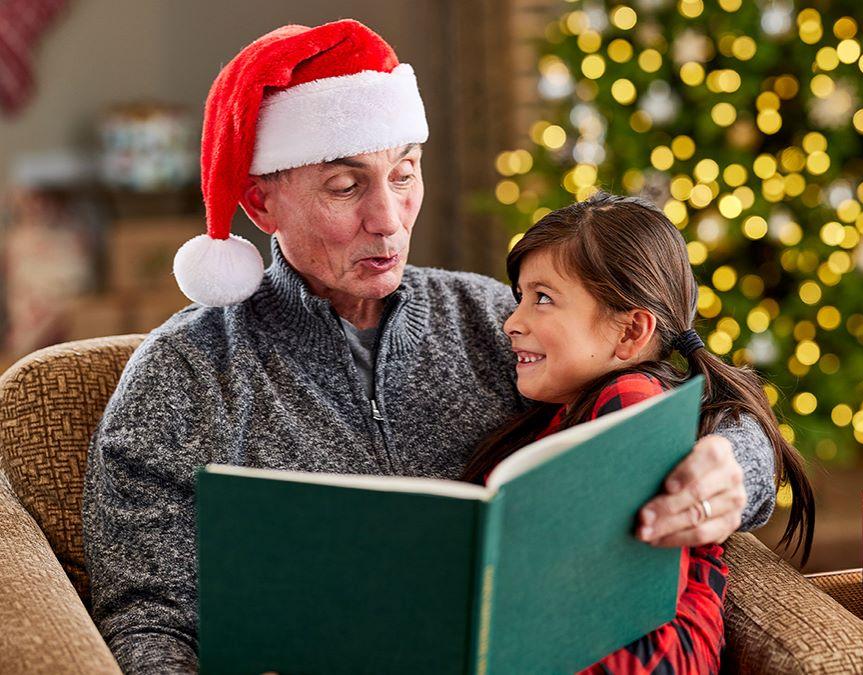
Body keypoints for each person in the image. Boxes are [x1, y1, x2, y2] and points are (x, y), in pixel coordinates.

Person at [81, 20, 780, 673]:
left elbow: (685, 379)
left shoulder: (496, 318)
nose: (387, 220)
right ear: (262, 205)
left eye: (405, 172)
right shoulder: (183, 375)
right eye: (346, 185)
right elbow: (148, 621)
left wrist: (732, 467)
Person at [461, 193, 816, 674]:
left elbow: (626, 616)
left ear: (631, 333)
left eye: (543, 299)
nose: (512, 322)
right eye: (520, 297)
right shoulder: (567, 411)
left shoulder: (630, 401)